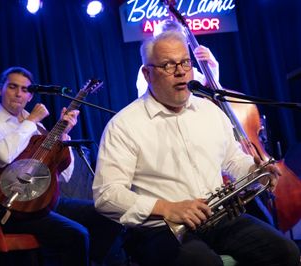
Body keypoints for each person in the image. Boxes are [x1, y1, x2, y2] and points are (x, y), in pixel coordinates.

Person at [92, 31, 300, 266]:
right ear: (147, 74)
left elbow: (232, 160)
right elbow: (106, 195)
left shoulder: (210, 110)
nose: (180, 71)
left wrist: (257, 172)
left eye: (185, 62)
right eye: (168, 65)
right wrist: (166, 208)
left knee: (286, 252)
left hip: (218, 218)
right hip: (160, 228)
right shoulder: (124, 125)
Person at [0, 66, 121, 266]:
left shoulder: (40, 128)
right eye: (12, 87)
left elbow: (63, 175)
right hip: (13, 206)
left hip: (43, 201)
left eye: (25, 89)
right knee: (77, 235)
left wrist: (63, 135)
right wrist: (31, 120)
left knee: (110, 215)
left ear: (30, 95)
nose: (19, 93)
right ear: (0, 89)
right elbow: (4, 156)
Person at [136, 19, 219, 97]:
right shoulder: (150, 69)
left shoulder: (188, 69)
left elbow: (208, 91)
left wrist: (213, 65)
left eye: (181, 41)